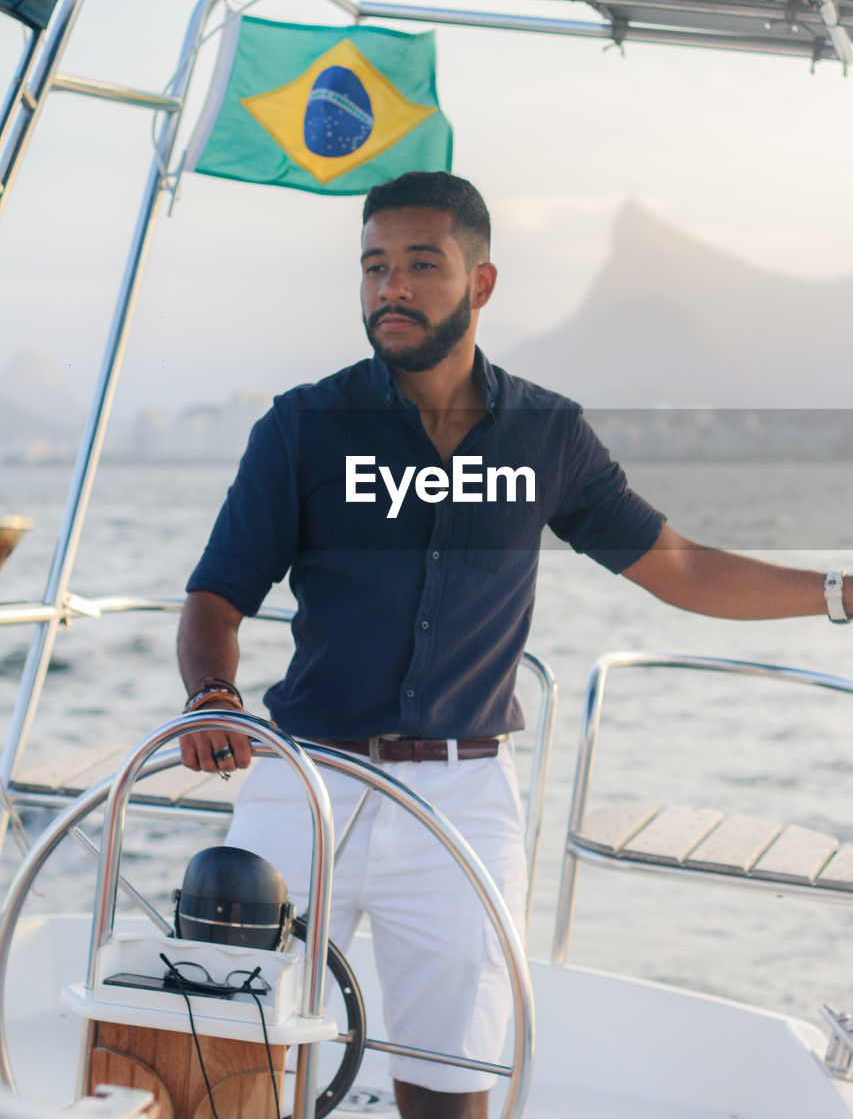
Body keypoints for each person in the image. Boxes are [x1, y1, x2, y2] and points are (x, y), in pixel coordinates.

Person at [177, 170, 851, 1119]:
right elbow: (216, 594)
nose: (390, 288)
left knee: (454, 1085)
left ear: (480, 284)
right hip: (305, 781)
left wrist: (839, 593)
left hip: (461, 797)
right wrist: (212, 695)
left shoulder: (547, 435)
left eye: (420, 264)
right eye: (373, 267)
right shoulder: (301, 427)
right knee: (223, 1062)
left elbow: (679, 567)